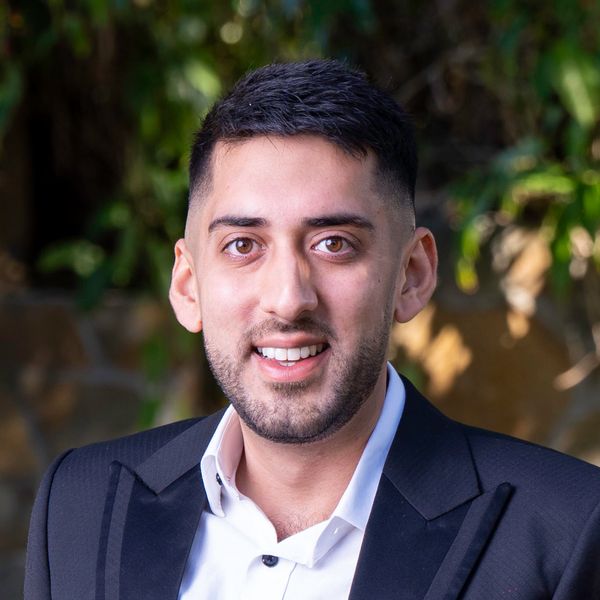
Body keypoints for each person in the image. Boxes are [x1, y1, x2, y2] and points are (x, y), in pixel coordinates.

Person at [25, 59, 600, 600]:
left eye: (334, 244)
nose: (288, 299)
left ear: (412, 275)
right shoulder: (78, 505)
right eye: (243, 245)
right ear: (188, 285)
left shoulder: (568, 528)